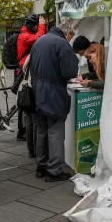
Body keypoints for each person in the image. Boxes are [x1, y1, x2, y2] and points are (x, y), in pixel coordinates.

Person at [30, 22, 78, 182]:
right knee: (56, 132)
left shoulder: (39, 41)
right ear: (67, 33)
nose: (70, 41)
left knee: (41, 130)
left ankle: (41, 165)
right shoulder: (62, 43)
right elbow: (69, 71)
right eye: (70, 37)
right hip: (54, 93)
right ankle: (54, 170)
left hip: (37, 91)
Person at [16, 14, 47, 149]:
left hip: (25, 73)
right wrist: (42, 26)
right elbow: (40, 39)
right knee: (30, 115)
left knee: (28, 114)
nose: (37, 28)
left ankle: (31, 148)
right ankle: (32, 148)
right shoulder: (24, 36)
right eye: (36, 25)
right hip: (26, 75)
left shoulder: (24, 34)